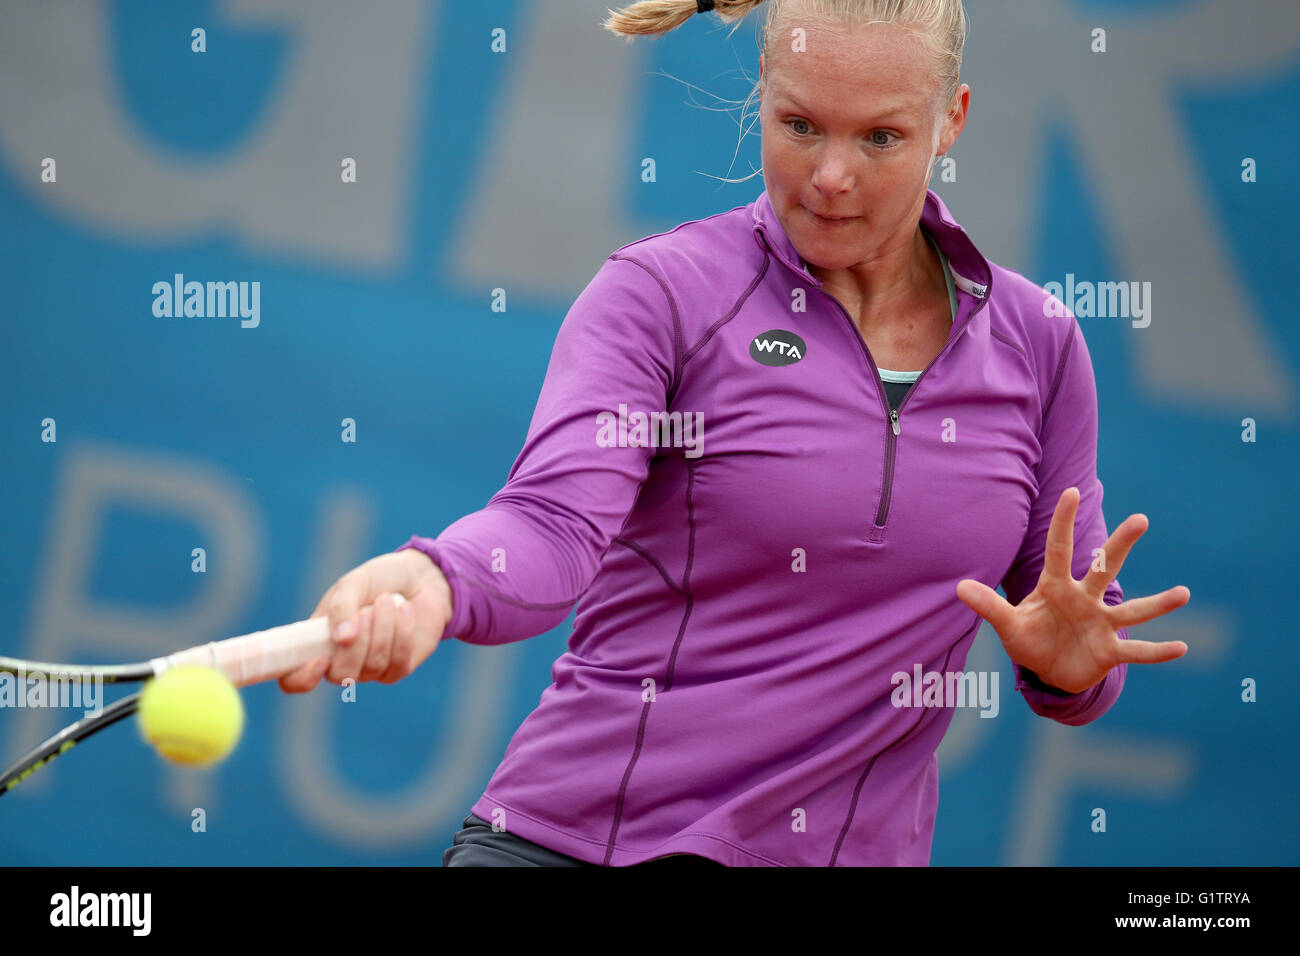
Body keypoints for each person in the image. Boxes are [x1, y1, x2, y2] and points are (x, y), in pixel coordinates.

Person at [278, 0, 1191, 866]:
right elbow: (553, 527)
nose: (832, 175)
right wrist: (436, 577)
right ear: (762, 90)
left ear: (950, 121)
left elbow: (1068, 624)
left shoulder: (1040, 346)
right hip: (580, 845)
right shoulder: (662, 294)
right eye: (801, 126)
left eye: (880, 137)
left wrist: (1071, 670)